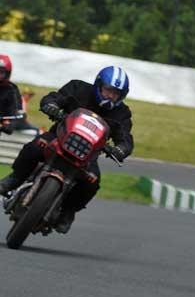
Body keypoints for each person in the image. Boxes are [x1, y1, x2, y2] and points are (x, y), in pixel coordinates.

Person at [0, 66, 134, 233]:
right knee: (34, 147)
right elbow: (55, 97)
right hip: (57, 137)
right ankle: (15, 178)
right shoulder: (78, 88)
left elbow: (125, 137)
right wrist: (51, 105)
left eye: (116, 94)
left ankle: (68, 212)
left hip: (88, 155)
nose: (111, 96)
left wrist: (121, 149)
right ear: (99, 84)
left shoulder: (122, 113)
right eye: (108, 90)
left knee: (92, 182)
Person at [0, 55, 23, 134]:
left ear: (7, 73)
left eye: (1, 72)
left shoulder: (11, 90)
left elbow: (15, 113)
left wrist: (9, 124)